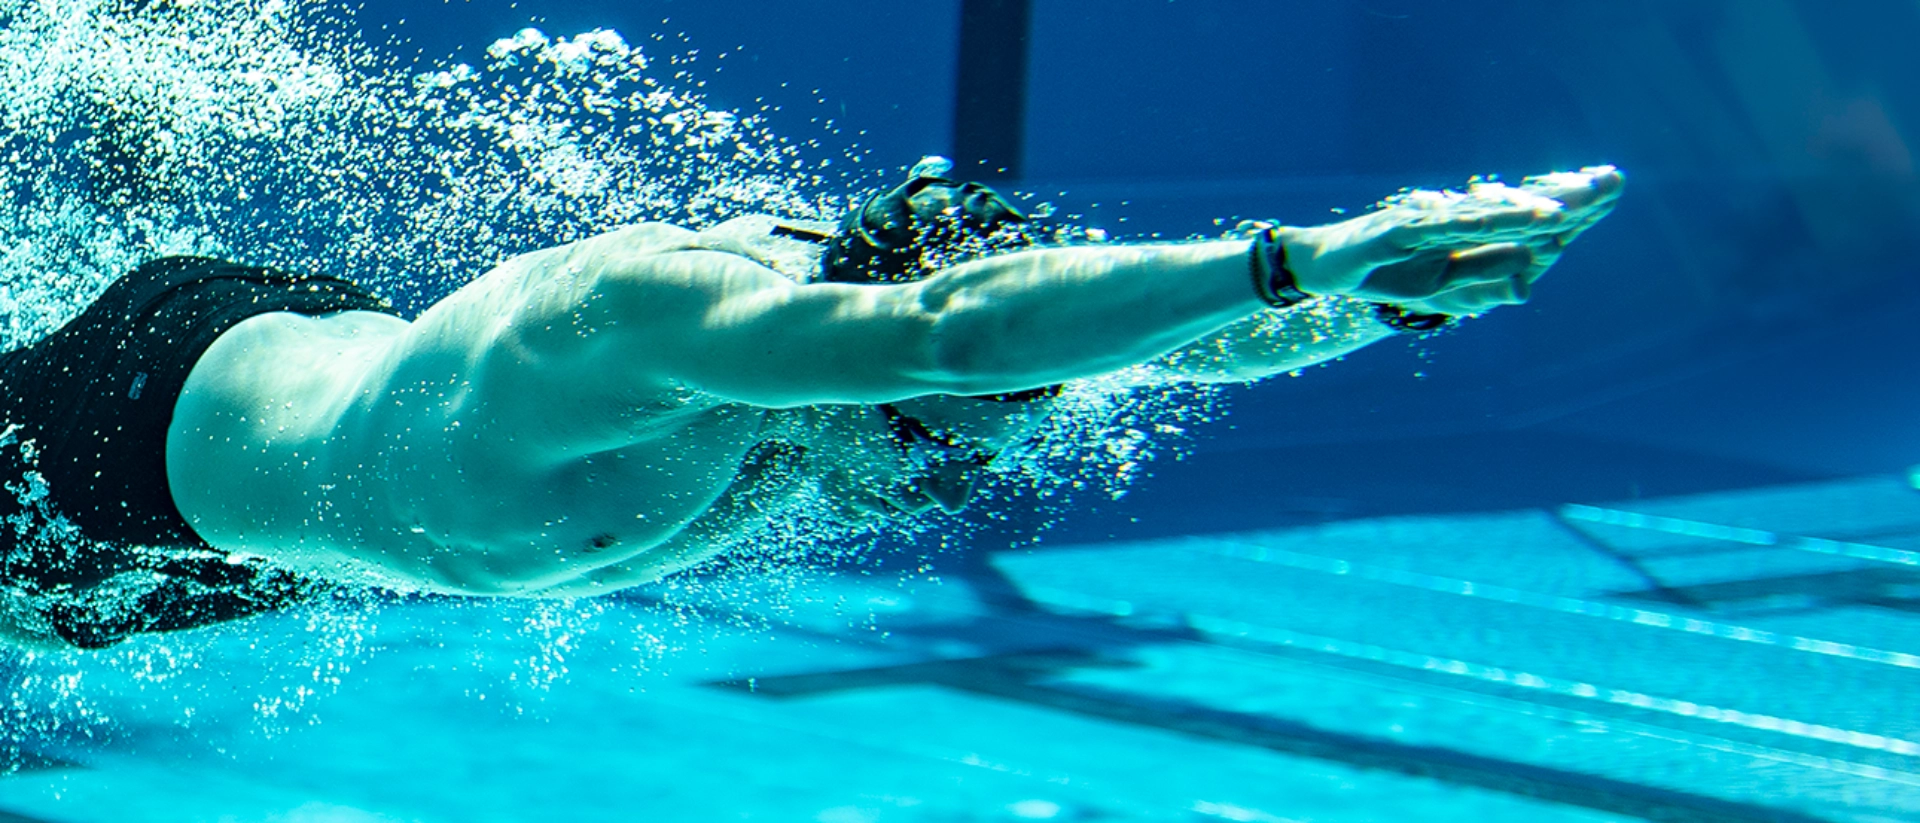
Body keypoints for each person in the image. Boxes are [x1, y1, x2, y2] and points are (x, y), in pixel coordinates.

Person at [0, 160, 1623, 648]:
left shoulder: (894, 393)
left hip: (266, 549)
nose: (940, 480)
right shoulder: (635, 323)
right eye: (943, 435)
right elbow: (943, 345)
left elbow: (1103, 347)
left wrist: (1379, 303)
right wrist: (1301, 255)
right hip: (127, 424)